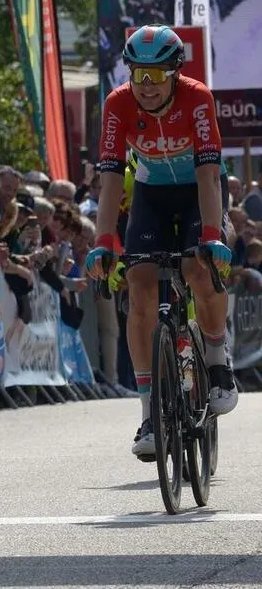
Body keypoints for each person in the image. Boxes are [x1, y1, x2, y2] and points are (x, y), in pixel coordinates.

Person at [86, 25, 236, 461]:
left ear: (174, 73)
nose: (146, 86)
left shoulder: (197, 97)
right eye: (138, 75)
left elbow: (209, 174)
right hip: (151, 195)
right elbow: (112, 176)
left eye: (156, 76)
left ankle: (215, 359)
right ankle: (151, 413)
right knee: (140, 286)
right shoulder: (117, 104)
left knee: (197, 268)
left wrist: (211, 235)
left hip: (198, 193)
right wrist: (104, 240)